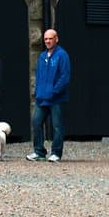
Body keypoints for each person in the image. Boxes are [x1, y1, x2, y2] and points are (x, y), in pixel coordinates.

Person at [28, 29, 71, 162]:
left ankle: (56, 153)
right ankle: (39, 151)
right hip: (42, 98)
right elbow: (39, 76)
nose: (47, 41)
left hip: (56, 98)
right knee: (36, 122)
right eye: (46, 39)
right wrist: (38, 92)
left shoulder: (62, 55)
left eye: (50, 38)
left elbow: (65, 76)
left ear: (56, 39)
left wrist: (54, 91)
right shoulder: (42, 56)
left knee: (57, 126)